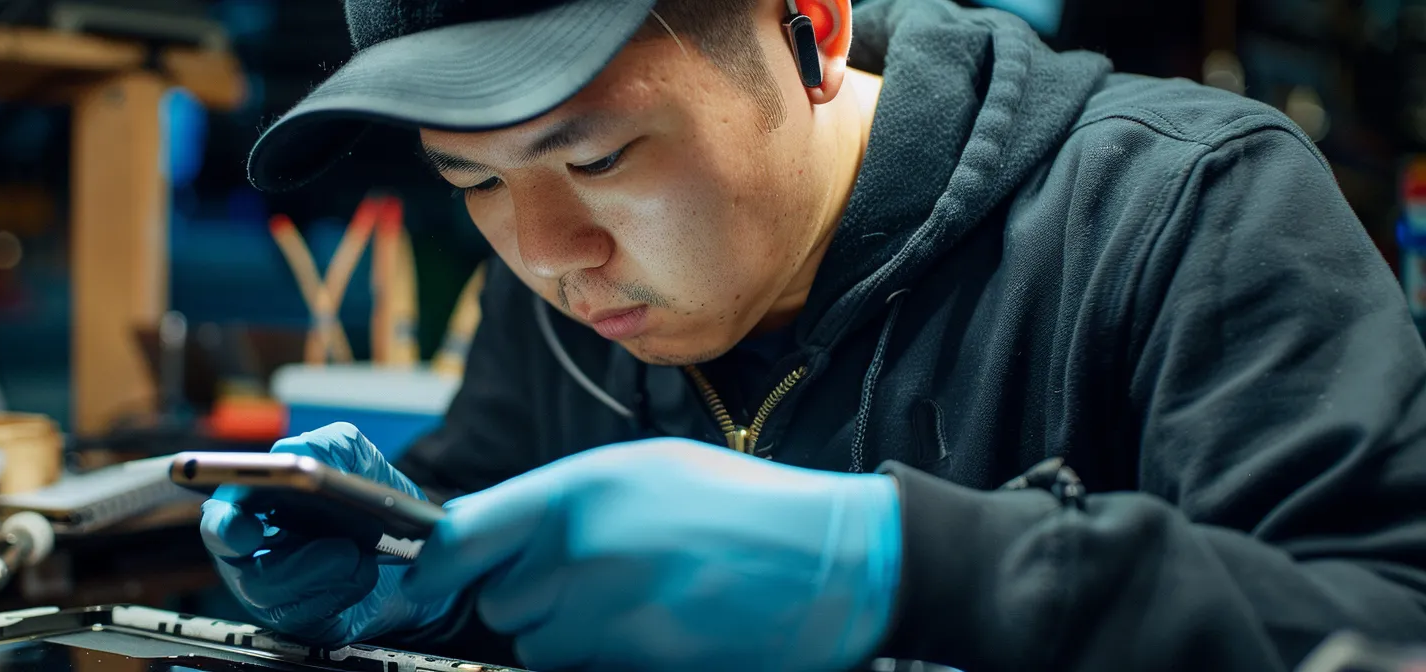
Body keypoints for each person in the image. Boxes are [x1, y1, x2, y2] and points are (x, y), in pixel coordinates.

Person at [201, 0, 1426, 669]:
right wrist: (408, 577)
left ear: (811, 29)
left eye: (599, 156)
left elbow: (1379, 620)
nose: (547, 253)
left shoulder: (1183, 208)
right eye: (470, 182)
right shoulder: (572, 296)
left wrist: (910, 566)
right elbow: (497, 542)